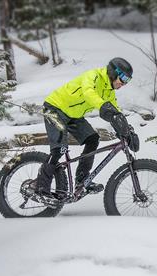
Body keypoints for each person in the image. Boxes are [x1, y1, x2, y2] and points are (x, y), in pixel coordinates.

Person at [35, 57, 138, 201]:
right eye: (123, 79)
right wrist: (103, 107)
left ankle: (82, 180)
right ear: (114, 73)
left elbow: (116, 112)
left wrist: (127, 131)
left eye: (127, 81)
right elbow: (89, 93)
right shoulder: (93, 76)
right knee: (59, 149)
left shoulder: (109, 92)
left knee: (93, 139)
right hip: (54, 108)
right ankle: (40, 187)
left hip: (73, 116)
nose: (124, 84)